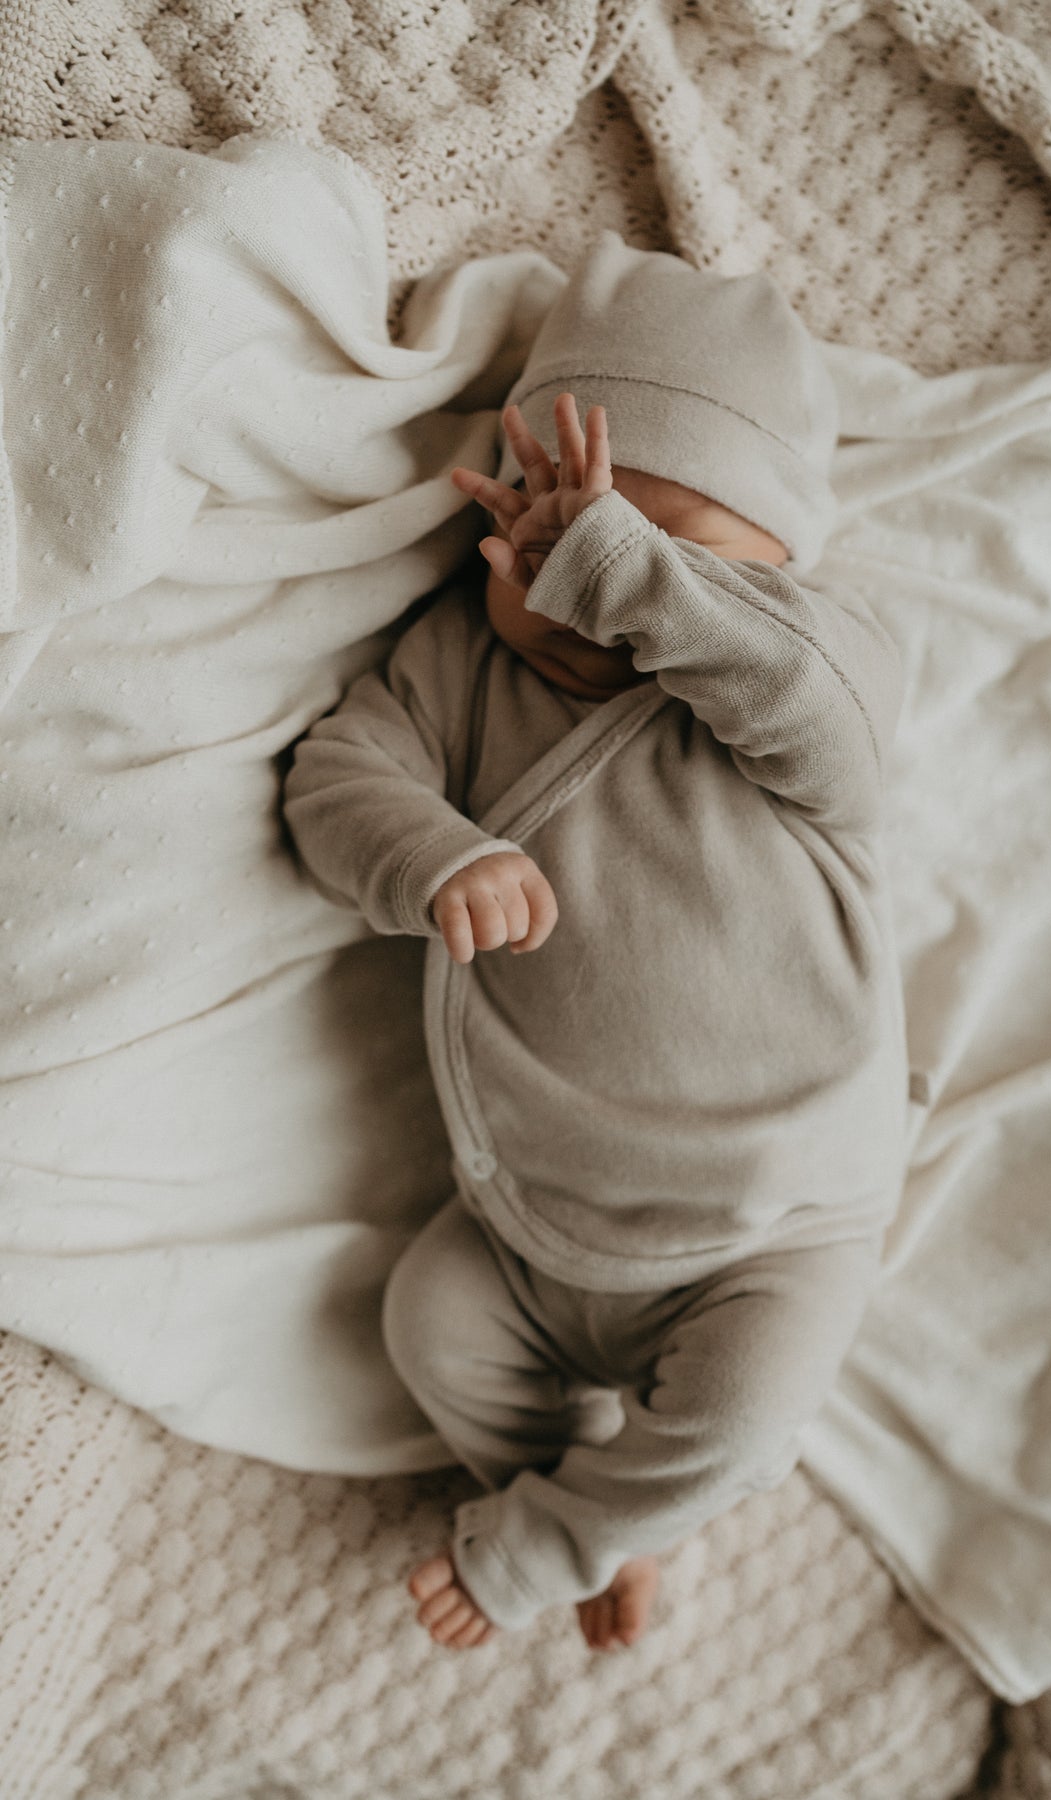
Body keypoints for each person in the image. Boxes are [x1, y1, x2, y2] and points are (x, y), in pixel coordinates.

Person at [283, 231, 909, 1654]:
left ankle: (569, 1538)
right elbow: (336, 781)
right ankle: (591, 1511)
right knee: (428, 1327)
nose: (583, 598)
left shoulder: (808, 697)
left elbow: (808, 685)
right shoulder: (458, 668)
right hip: (527, 1227)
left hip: (777, 1223)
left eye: (658, 554)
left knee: (749, 1417)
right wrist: (429, 851)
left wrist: (629, 572)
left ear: (773, 572)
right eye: (550, 540)